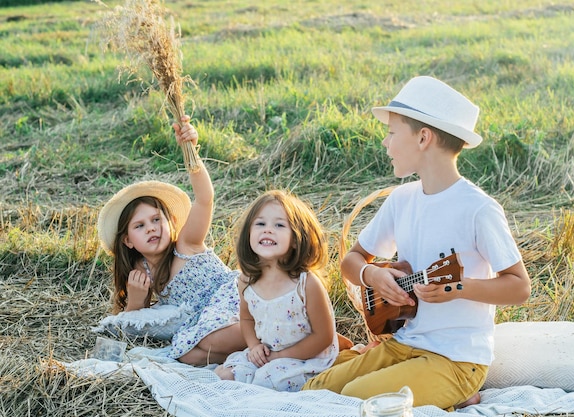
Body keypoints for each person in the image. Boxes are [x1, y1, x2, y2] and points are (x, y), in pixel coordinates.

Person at [302, 76, 531, 410]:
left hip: (454, 358)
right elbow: (352, 261)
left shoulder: (478, 209)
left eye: (392, 133)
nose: (385, 142)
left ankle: (456, 391)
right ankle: (439, 397)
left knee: (354, 400)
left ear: (423, 137)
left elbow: (519, 287)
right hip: (403, 342)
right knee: (315, 390)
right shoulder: (402, 199)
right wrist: (373, 275)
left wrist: (457, 287)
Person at [97, 116, 246, 366]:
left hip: (233, 302)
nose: (151, 229)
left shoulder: (186, 244)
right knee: (186, 354)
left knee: (209, 341)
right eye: (140, 226)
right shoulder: (142, 272)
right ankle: (257, 354)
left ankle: (275, 335)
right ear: (128, 241)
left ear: (170, 222)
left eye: (156, 219)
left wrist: (192, 153)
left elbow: (205, 199)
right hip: (203, 323)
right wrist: (135, 300)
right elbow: (134, 324)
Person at [214, 190, 339, 391]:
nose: (268, 230)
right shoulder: (247, 280)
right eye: (260, 224)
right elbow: (246, 319)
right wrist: (254, 346)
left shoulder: (305, 283)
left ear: (297, 238)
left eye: (279, 225)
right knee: (225, 375)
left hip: (305, 358)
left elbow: (323, 337)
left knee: (266, 382)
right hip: (268, 352)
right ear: (249, 234)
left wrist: (280, 356)